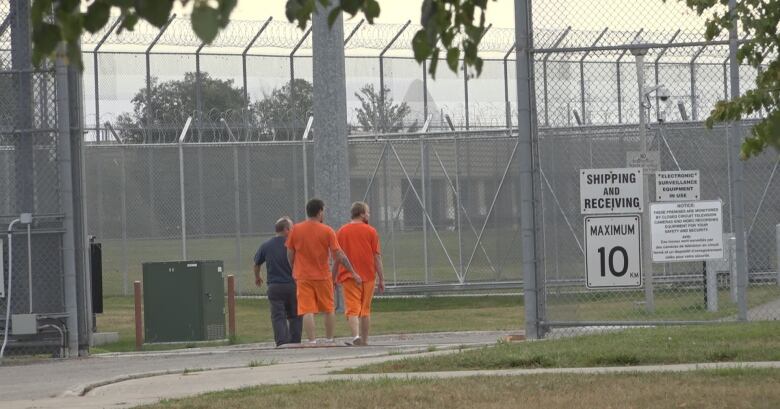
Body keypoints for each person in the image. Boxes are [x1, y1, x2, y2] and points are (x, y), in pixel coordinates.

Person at [286, 198, 360, 344]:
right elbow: (339, 254)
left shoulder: (296, 229)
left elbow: (290, 253)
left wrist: (293, 267)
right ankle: (329, 339)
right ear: (320, 212)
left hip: (303, 275)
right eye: (323, 211)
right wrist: (352, 272)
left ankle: (312, 341)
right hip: (323, 275)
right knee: (328, 308)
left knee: (307, 310)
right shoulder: (327, 230)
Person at [333, 201, 384, 346]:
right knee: (365, 310)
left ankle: (356, 336)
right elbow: (377, 256)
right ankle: (365, 340)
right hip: (368, 275)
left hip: (348, 275)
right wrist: (381, 278)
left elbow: (338, 256)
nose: (369, 214)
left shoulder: (341, 231)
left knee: (352, 308)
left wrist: (334, 276)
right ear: (361, 214)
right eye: (367, 212)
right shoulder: (371, 231)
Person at [254, 217, 302, 346]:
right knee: (295, 315)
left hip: (275, 286)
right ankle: (295, 342)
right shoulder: (294, 244)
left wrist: (257, 277)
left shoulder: (266, 245)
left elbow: (257, 263)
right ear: (286, 230)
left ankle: (282, 342)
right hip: (293, 285)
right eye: (292, 228)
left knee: (278, 316)